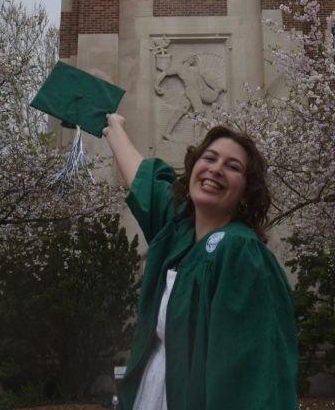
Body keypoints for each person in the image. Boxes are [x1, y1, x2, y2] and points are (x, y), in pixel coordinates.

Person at [102, 114, 298, 410]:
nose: (216, 169)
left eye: (232, 166)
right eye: (210, 158)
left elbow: (252, 374)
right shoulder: (179, 235)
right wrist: (114, 128)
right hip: (151, 395)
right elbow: (145, 183)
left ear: (245, 192)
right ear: (194, 169)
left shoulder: (240, 252)